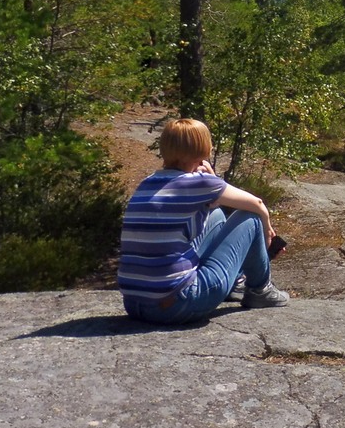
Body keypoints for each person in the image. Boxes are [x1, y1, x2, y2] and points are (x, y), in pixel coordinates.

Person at [117, 117, 290, 324]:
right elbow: (258, 204)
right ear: (202, 149)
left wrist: (211, 181)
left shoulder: (147, 182)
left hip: (135, 305)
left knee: (216, 216)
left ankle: (236, 282)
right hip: (177, 304)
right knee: (251, 218)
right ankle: (260, 290)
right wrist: (266, 230)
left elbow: (207, 207)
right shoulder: (200, 182)